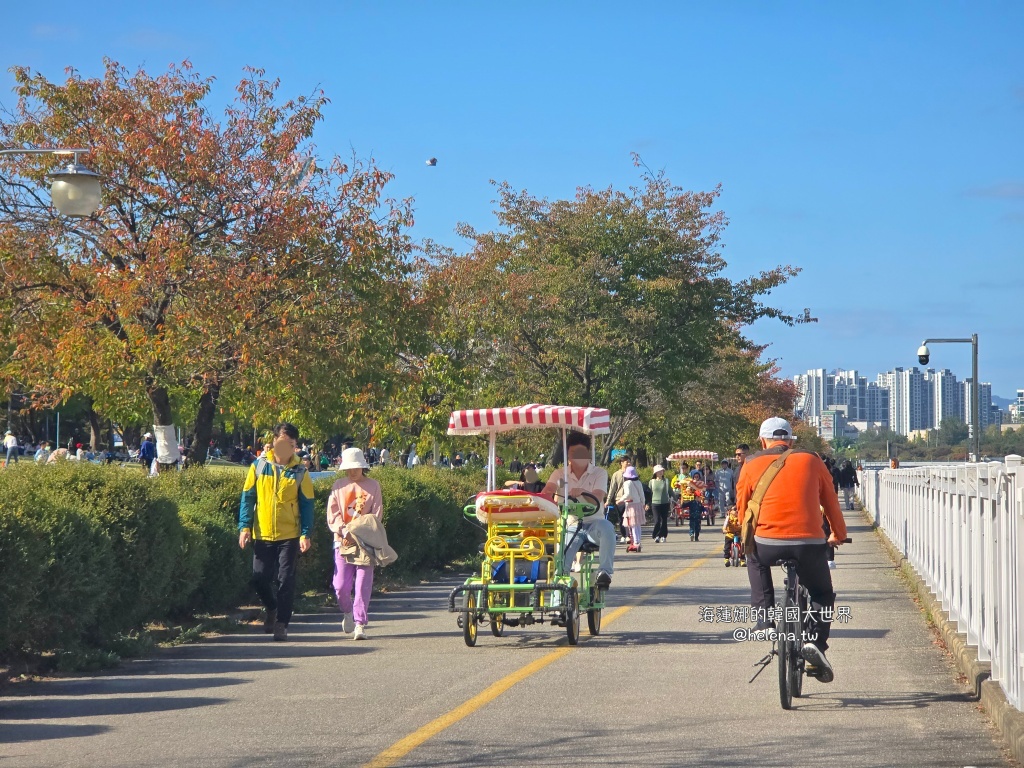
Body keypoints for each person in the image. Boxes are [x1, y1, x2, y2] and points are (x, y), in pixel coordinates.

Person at [738, 417, 847, 683]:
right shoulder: (812, 460)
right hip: (809, 543)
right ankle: (816, 644)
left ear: (762, 440)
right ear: (790, 440)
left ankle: (764, 619)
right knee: (822, 591)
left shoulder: (750, 464)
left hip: (767, 543)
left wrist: (747, 537)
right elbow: (830, 500)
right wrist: (838, 534)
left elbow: (743, 506)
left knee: (754, 559)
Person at [238, 422, 315, 642]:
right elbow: (248, 497)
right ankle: (271, 607)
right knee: (259, 578)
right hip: (262, 533)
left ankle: (281, 623)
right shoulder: (259, 466)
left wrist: (306, 534)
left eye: (291, 444)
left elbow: (307, 504)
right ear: (273, 441)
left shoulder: (301, 471)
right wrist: (244, 527)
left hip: (289, 535)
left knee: (286, 579)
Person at [541, 433, 614, 588]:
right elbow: (548, 490)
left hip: (594, 523)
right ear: (568, 455)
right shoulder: (560, 474)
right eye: (573, 454)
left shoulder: (599, 473)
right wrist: (543, 495)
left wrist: (583, 492)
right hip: (570, 525)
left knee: (608, 527)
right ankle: (559, 592)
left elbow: (598, 496)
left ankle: (605, 572)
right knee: (562, 560)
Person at [327, 447, 383, 641]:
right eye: (349, 468)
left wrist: (359, 532)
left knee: (362, 585)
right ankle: (347, 612)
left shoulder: (373, 486)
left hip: (366, 542)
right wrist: (343, 530)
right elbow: (332, 514)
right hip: (341, 541)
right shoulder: (338, 486)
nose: (353, 472)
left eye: (356, 467)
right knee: (340, 585)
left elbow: (376, 515)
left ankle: (360, 623)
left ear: (363, 467)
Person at [617, 465, 645, 552]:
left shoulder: (627, 483)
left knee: (632, 525)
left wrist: (620, 500)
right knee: (637, 525)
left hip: (630, 505)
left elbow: (627, 494)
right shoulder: (639, 483)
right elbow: (642, 495)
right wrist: (643, 504)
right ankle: (638, 541)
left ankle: (635, 543)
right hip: (638, 505)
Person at [605, 454, 632, 544]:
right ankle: (624, 535)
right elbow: (612, 488)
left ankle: (629, 535)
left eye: (629, 462)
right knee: (621, 518)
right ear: (621, 463)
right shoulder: (616, 474)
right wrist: (608, 501)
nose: (628, 463)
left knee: (629, 518)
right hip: (619, 499)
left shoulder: (632, 473)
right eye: (626, 462)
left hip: (630, 499)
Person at [648, 465, 671, 543]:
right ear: (655, 473)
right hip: (655, 503)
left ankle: (663, 535)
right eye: (659, 471)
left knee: (664, 520)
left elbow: (670, 491)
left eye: (662, 471)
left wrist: (676, 500)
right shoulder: (652, 482)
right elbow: (649, 493)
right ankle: (656, 535)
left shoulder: (666, 481)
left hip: (665, 503)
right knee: (657, 520)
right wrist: (647, 503)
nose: (661, 472)